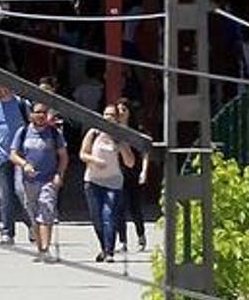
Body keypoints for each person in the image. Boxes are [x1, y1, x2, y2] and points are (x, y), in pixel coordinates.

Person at [9, 103, 68, 263]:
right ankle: (40, 248)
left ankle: (46, 249)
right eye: (37, 112)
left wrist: (59, 174)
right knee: (33, 215)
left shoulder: (54, 133)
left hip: (48, 179)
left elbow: (63, 156)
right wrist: (24, 165)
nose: (41, 115)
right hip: (28, 181)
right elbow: (13, 155)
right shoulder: (23, 132)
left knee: (46, 211)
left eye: (44, 112)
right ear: (31, 115)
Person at [80, 106, 135, 262]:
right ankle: (104, 248)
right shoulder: (94, 133)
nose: (108, 117)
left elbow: (130, 163)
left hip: (113, 182)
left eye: (112, 115)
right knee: (97, 218)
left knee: (108, 215)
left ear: (117, 119)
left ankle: (109, 252)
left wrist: (121, 146)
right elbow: (83, 154)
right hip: (93, 181)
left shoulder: (120, 136)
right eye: (105, 114)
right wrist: (95, 160)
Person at [0, 84, 34, 244]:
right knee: (5, 196)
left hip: (21, 156)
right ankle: (7, 231)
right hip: (2, 157)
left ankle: (32, 224)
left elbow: (31, 127)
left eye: (0, 86)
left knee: (21, 191)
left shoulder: (22, 104)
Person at [115, 99, 149, 251]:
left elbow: (145, 153)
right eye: (118, 110)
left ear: (129, 112)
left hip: (134, 171)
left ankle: (141, 236)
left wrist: (144, 171)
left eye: (124, 110)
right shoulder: (113, 129)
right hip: (118, 171)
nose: (121, 113)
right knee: (119, 207)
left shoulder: (137, 130)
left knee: (135, 207)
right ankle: (122, 241)